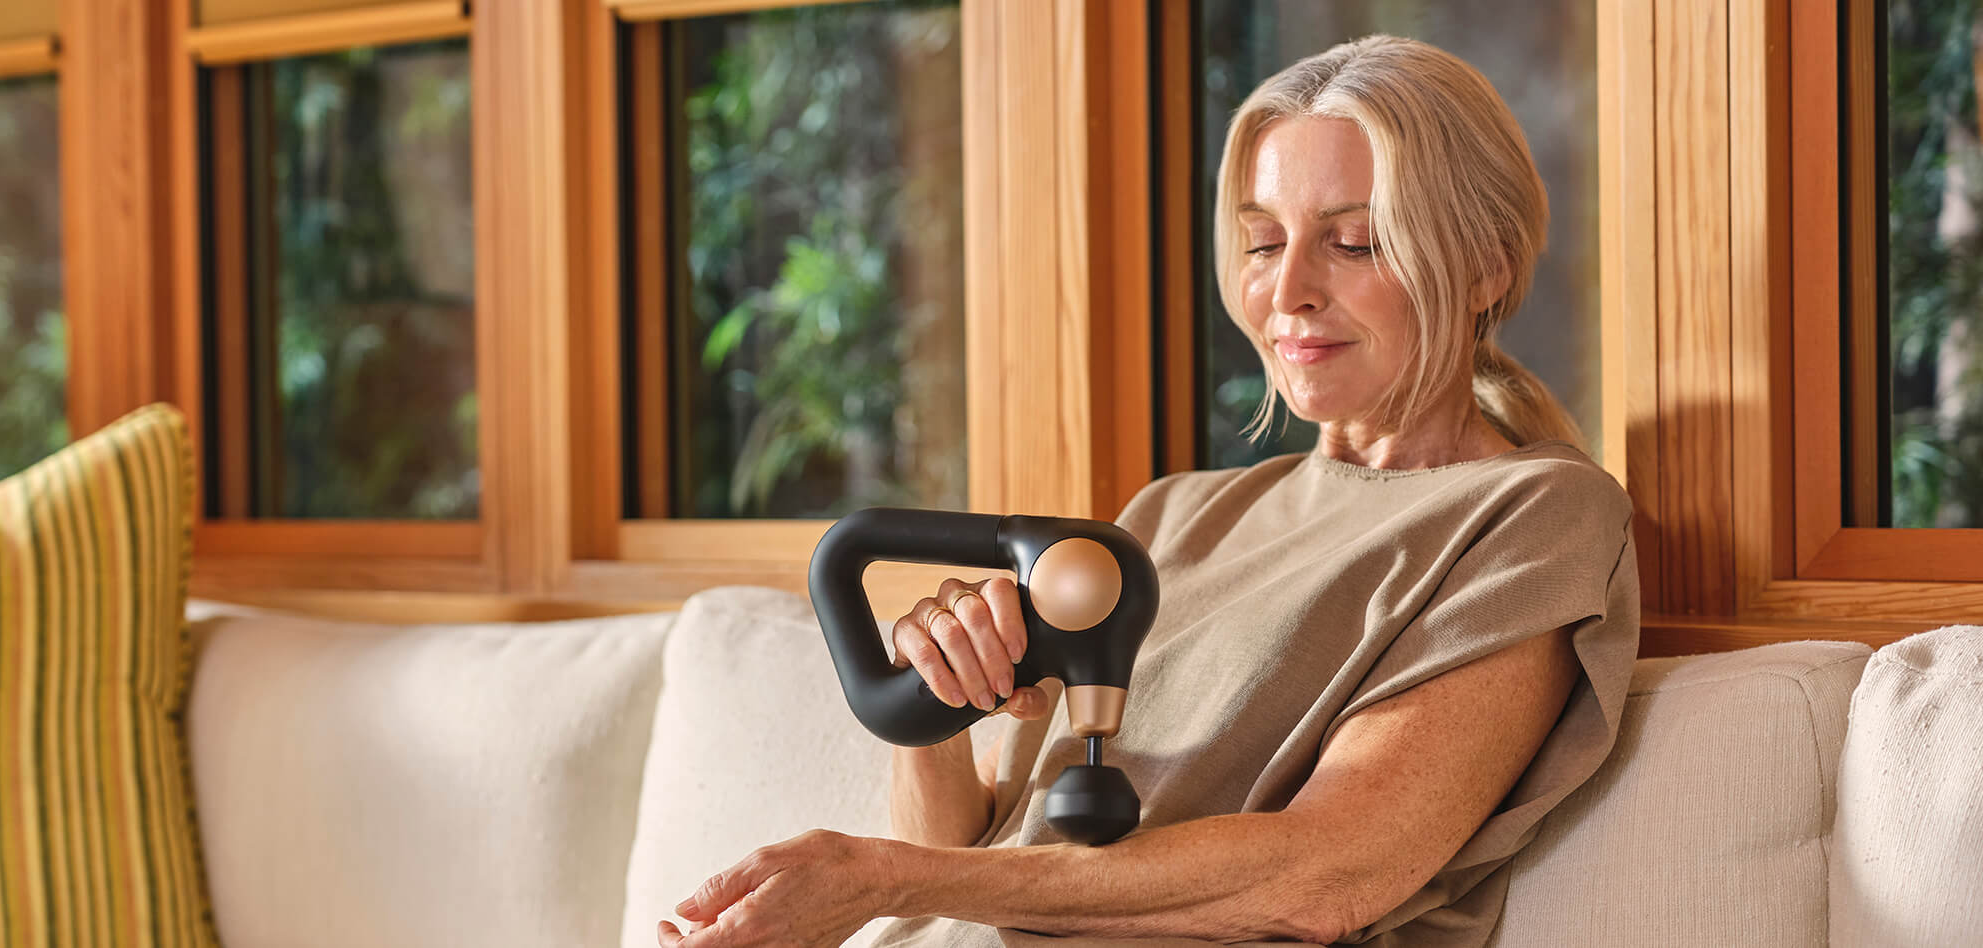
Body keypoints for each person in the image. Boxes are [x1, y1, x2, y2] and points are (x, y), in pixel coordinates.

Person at [656, 34, 1638, 948]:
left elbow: (1330, 872)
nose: (1287, 289)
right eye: (1261, 241)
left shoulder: (1533, 516)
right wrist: (938, 717)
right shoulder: (1171, 515)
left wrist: (884, 879)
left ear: (1483, 268)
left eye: (1353, 242)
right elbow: (973, 853)